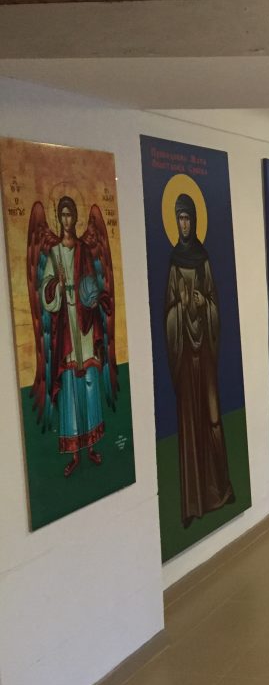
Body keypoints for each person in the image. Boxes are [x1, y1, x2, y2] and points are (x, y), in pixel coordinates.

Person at [29, 196, 116, 477]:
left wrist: (90, 295)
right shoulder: (54, 253)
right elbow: (45, 289)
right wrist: (56, 286)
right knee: (70, 389)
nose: (67, 220)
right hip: (66, 327)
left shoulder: (84, 250)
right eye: (63, 215)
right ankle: (75, 453)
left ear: (76, 217)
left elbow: (92, 283)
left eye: (70, 214)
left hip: (85, 327)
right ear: (59, 218)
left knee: (89, 384)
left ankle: (91, 447)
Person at [164, 193, 234, 528]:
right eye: (179, 218)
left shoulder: (203, 260)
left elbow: (214, 304)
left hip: (204, 351)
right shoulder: (174, 263)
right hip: (185, 356)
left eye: (187, 218)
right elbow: (168, 314)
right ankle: (193, 504)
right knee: (190, 424)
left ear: (194, 220)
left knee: (213, 416)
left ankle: (220, 490)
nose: (184, 224)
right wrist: (180, 306)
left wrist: (203, 304)